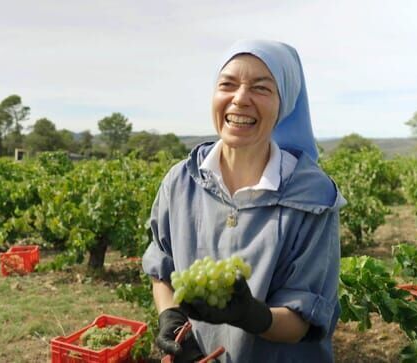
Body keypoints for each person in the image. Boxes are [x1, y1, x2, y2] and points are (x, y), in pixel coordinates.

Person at [142, 39, 346, 363]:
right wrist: (171, 317)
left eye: (261, 89)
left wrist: (253, 316)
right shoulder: (180, 182)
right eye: (228, 84)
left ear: (284, 104)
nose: (240, 99)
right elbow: (161, 267)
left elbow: (304, 317)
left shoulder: (312, 198)